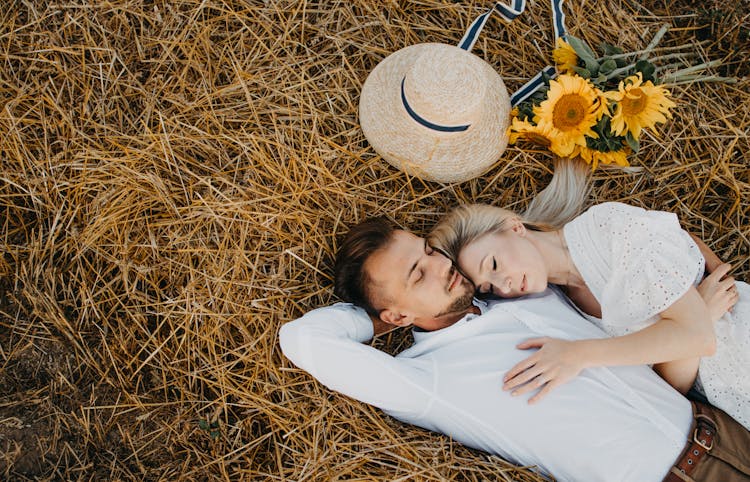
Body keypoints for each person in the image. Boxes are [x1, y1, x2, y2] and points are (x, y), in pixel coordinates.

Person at [279, 215, 750, 482]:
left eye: (427, 251)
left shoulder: (518, 286)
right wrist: (377, 321)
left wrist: (694, 300)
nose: (439, 266)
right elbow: (301, 340)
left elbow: (629, 249)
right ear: (397, 316)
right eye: (417, 276)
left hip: (722, 427)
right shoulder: (426, 378)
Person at [429, 166, 749, 432]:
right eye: (488, 288)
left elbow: (697, 338)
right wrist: (699, 315)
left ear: (513, 227)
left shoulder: (606, 228)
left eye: (494, 265)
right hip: (731, 404)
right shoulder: (563, 305)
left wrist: (579, 354)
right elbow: (670, 389)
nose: (504, 285)